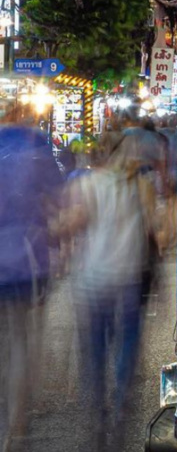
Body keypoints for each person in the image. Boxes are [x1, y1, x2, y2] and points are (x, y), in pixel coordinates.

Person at [68, 132, 158, 443]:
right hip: (127, 276)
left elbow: (75, 222)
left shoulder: (87, 184)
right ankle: (120, 402)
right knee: (126, 344)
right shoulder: (141, 186)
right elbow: (154, 230)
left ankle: (97, 408)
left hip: (94, 277)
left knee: (95, 348)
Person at [0, 102, 63, 451]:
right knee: (21, 340)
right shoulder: (37, 144)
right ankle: (16, 423)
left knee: (7, 342)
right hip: (26, 258)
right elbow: (57, 196)